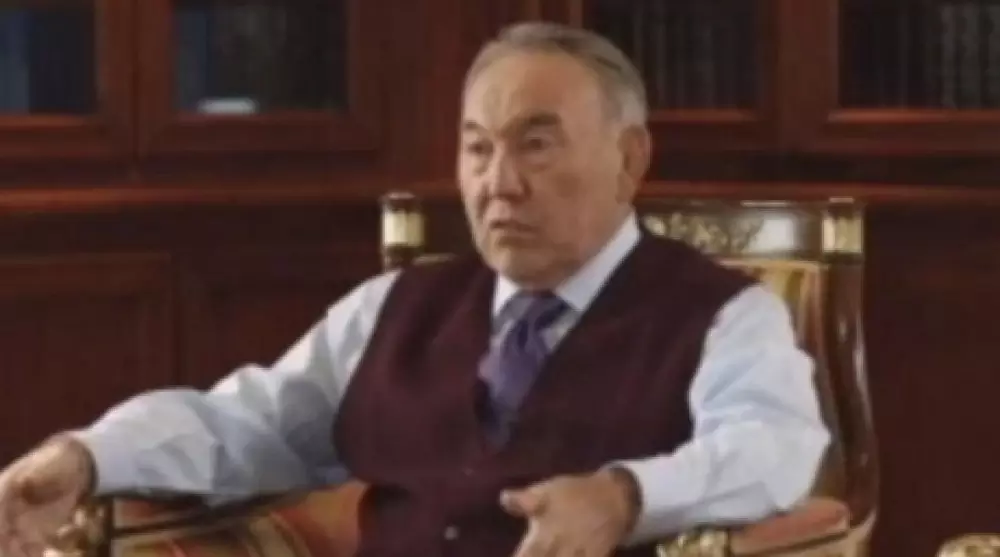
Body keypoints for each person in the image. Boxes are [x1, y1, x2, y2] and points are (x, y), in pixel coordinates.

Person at [0, 22, 830, 557]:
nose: (498, 183)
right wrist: (88, 455)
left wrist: (625, 496)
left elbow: (776, 447)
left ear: (629, 158)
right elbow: (245, 421)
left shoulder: (723, 316)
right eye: (477, 148)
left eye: (536, 145)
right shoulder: (394, 307)